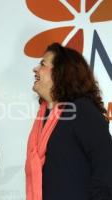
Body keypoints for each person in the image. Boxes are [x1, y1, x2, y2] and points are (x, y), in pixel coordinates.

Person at [25, 42, 112, 200]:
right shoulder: (44, 115)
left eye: (42, 64)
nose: (35, 69)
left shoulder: (82, 110)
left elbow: (106, 167)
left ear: (60, 73)